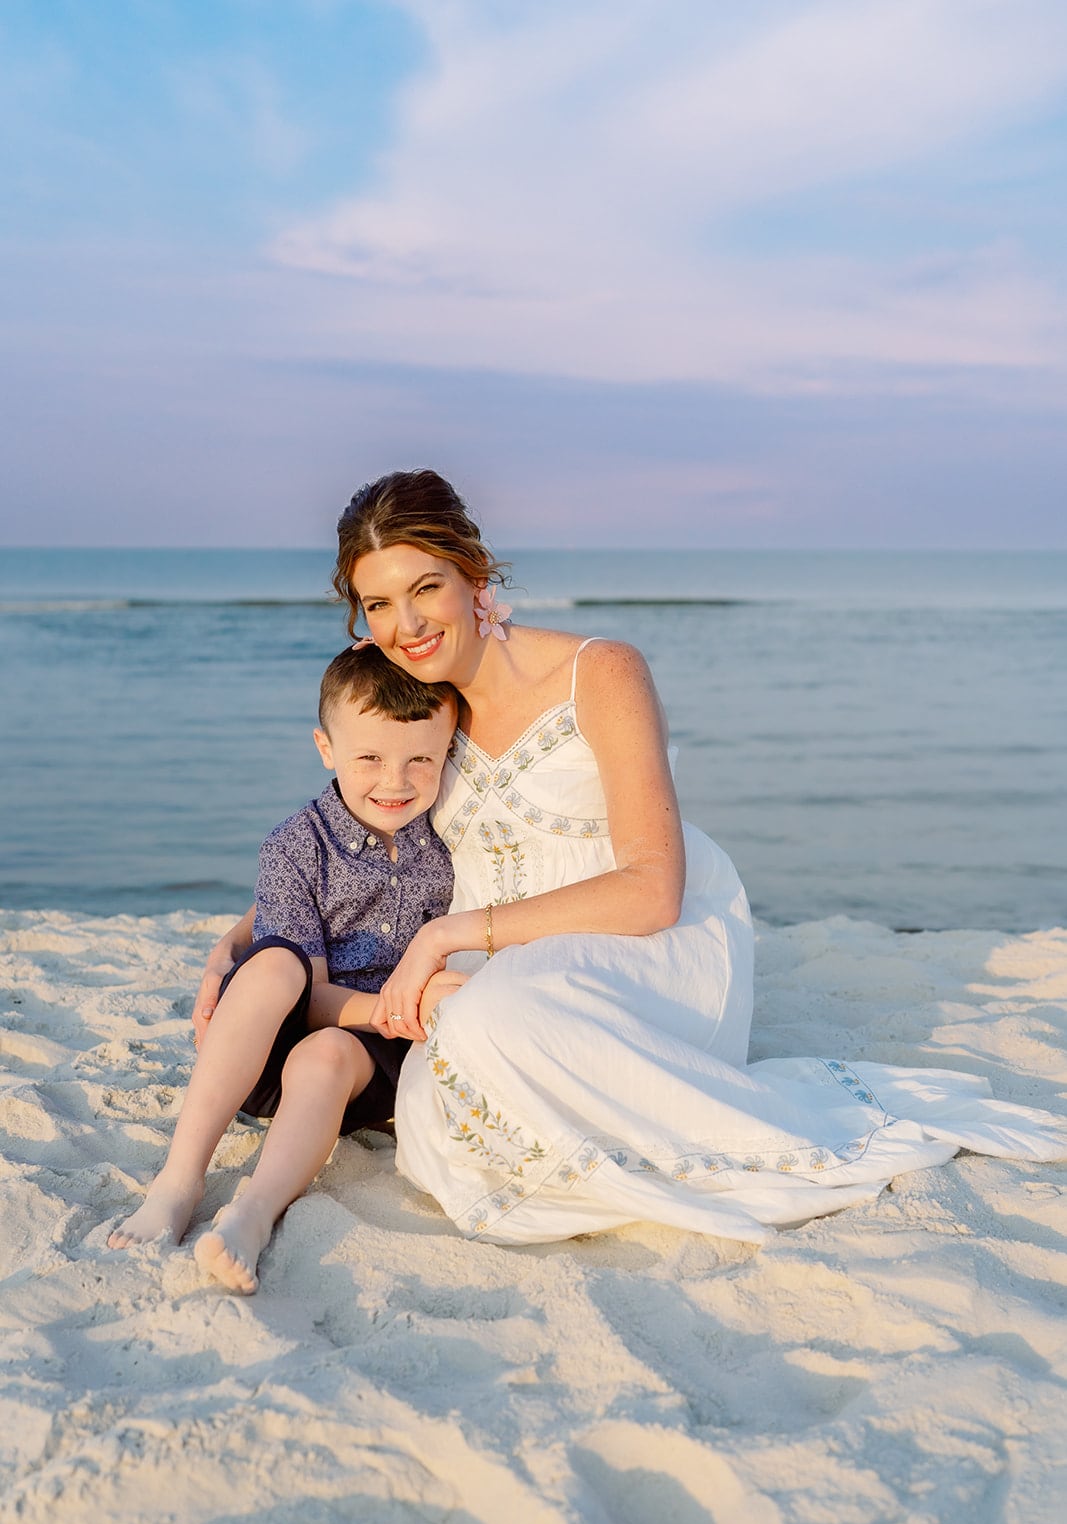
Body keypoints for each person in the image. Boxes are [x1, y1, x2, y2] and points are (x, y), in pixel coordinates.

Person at [195, 469, 1067, 1250]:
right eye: (377, 605)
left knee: (489, 1025)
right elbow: (348, 836)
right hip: (501, 956)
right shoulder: (416, 706)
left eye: (426, 588)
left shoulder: (597, 671)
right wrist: (249, 933)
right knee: (439, 1093)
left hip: (649, 937)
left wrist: (445, 935)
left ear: (476, 577)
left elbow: (654, 888)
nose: (407, 623)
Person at [109, 643, 458, 1291]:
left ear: (448, 754)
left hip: (366, 1070)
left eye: (422, 759)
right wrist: (409, 1002)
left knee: (326, 1053)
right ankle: (179, 1179)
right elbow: (314, 996)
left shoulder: (448, 842)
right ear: (326, 749)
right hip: (271, 1048)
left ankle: (253, 1213)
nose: (396, 780)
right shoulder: (295, 846)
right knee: (273, 968)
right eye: (370, 758)